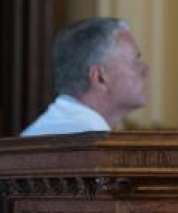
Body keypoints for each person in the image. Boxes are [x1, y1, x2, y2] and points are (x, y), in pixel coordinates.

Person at [21, 17, 149, 136]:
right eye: (135, 61)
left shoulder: (38, 131)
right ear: (100, 78)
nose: (145, 71)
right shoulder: (92, 145)